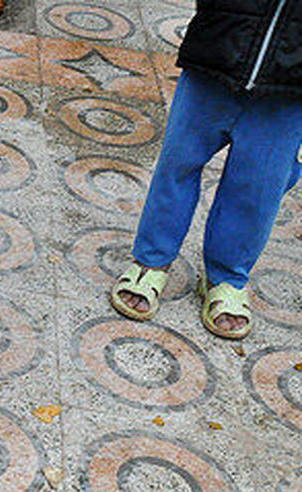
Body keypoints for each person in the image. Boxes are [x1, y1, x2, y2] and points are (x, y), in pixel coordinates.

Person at [110, 0, 302, 340]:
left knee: (258, 188)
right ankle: (152, 260)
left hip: (291, 87)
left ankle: (228, 276)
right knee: (178, 163)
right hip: (218, 49)